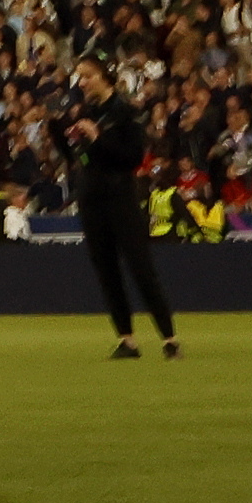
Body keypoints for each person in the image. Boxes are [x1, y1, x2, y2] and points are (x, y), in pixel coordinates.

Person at [71, 71, 177, 361]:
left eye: (85, 76)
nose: (81, 83)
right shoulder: (86, 112)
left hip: (121, 198)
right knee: (107, 272)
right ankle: (127, 340)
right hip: (92, 200)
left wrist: (98, 137)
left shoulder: (125, 113)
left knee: (141, 268)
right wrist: (70, 141)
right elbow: (83, 157)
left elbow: (131, 158)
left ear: (103, 78)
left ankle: (169, 338)